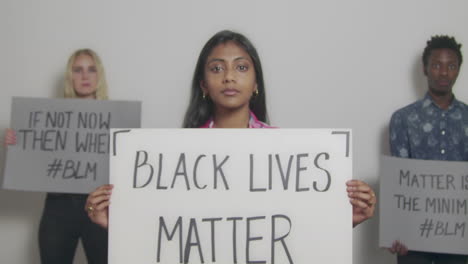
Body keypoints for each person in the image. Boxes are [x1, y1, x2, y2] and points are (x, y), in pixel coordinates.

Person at [86, 30, 376, 229]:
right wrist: (115, 224)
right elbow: (165, 230)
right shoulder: (175, 154)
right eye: (216, 69)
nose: (228, 77)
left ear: (256, 82)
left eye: (241, 68)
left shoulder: (287, 151)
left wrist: (347, 218)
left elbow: (298, 228)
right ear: (203, 86)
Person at [4, 49, 109, 264]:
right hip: (58, 208)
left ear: (99, 75)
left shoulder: (116, 118)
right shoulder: (48, 118)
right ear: (70, 76)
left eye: (91, 69)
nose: (85, 76)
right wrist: (16, 142)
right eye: (77, 70)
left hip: (100, 207)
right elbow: (34, 161)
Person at [389, 35, 467, 263]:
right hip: (413, 235)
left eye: (451, 66)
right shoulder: (403, 119)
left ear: (459, 69)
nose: (444, 73)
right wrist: (396, 231)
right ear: (425, 69)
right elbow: (399, 181)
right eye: (436, 65)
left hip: (459, 234)